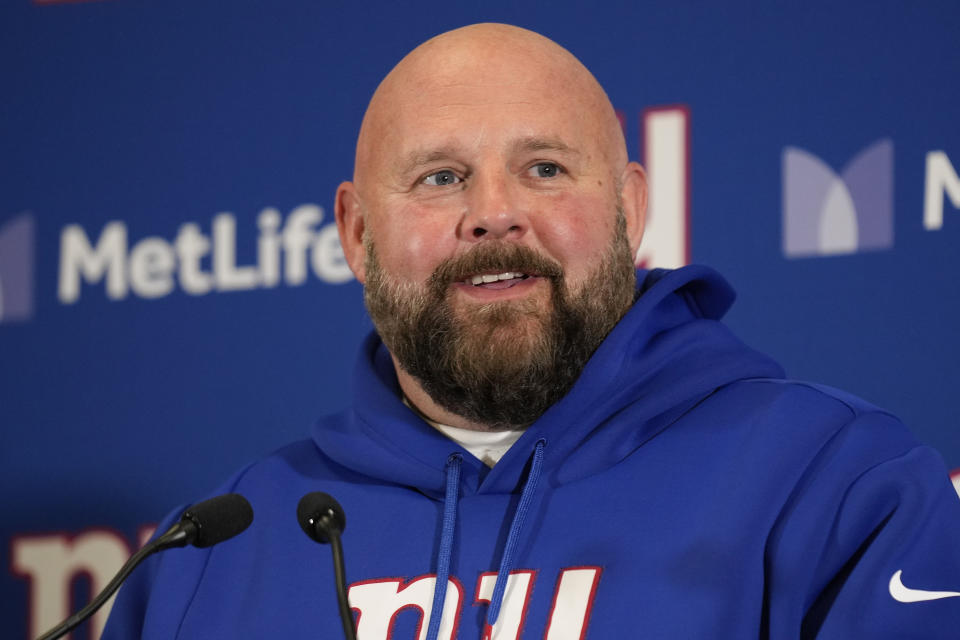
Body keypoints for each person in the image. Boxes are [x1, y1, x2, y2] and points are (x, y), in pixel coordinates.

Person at [104, 23, 960, 639]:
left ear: (630, 207)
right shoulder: (209, 554)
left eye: (544, 169)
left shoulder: (835, 482)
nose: (494, 214)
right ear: (357, 235)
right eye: (441, 178)